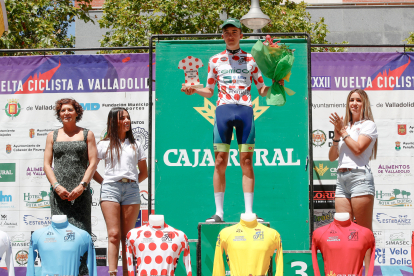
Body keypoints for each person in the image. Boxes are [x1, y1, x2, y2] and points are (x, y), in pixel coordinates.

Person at [181, 18, 282, 222]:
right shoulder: (215, 60)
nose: (230, 35)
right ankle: (219, 212)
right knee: (219, 161)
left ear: (241, 35)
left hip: (245, 111)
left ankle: (249, 212)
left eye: (234, 31)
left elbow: (262, 90)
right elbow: (209, 91)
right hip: (223, 112)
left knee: (246, 161)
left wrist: (276, 85)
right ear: (222, 36)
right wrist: (194, 89)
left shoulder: (251, 60)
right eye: (226, 32)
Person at [44, 98, 98, 276]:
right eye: (62, 110)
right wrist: (56, 186)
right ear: (59, 114)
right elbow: (46, 164)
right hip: (59, 195)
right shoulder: (52, 136)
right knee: (58, 237)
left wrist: (82, 186)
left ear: (77, 113)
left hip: (80, 193)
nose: (66, 113)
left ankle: (82, 273)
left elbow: (92, 163)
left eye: (69, 110)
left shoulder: (87, 134)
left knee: (82, 236)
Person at [93, 107, 148, 276]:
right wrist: (106, 183)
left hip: (131, 190)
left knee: (128, 236)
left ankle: (127, 272)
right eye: (122, 118)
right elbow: (91, 168)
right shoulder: (103, 144)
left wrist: (131, 182)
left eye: (128, 117)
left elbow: (144, 172)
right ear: (113, 122)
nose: (126, 121)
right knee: (114, 234)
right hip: (110, 189)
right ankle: (112, 273)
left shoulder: (136, 144)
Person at [328, 88, 378, 275]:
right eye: (351, 100)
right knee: (344, 231)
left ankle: (368, 272)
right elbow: (333, 157)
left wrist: (343, 132)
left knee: (364, 232)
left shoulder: (368, 125)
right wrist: (336, 136)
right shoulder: (345, 127)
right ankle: (349, 271)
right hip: (341, 179)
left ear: (364, 104)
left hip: (360, 178)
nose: (354, 103)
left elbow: (358, 149)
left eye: (358, 100)